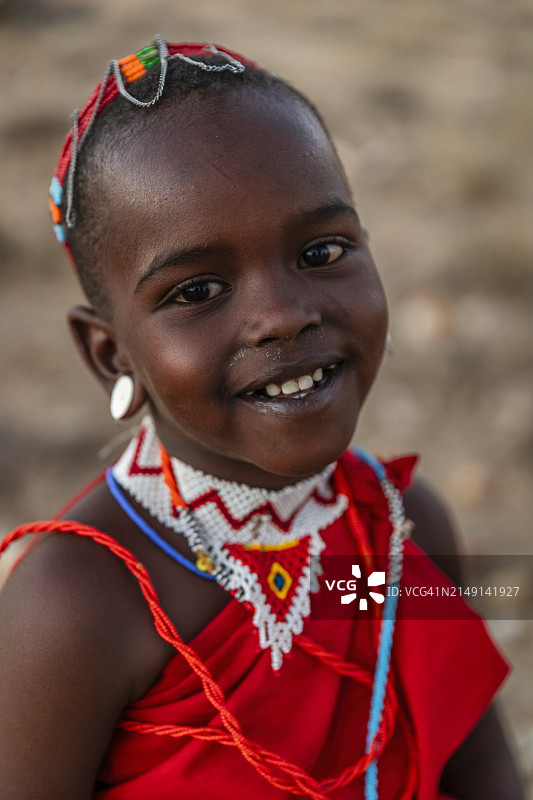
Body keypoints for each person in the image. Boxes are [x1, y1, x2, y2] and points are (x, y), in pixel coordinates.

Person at [0, 37, 525, 800]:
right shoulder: (83, 602)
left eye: (322, 251)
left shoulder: (393, 539)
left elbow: (481, 775)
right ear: (111, 355)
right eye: (196, 291)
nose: (281, 316)